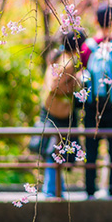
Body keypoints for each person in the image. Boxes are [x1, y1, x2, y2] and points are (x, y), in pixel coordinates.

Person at [80, 4, 112, 200]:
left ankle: (90, 191)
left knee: (91, 151)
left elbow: (81, 74)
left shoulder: (87, 47)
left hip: (92, 106)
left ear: (95, 21)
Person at [31, 30, 86, 198]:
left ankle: (54, 188)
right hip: (59, 111)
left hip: (51, 108)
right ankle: (51, 189)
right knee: (55, 151)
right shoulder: (69, 62)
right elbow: (55, 85)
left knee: (56, 152)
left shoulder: (58, 57)